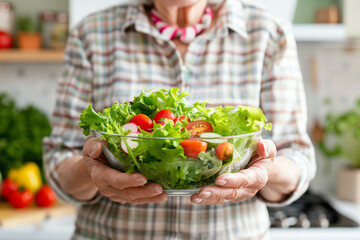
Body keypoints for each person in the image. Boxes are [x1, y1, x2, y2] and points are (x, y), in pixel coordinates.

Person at [43, 0, 316, 239]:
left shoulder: (268, 33)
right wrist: (90, 170)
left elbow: (297, 157)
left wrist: (265, 169)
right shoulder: (92, 33)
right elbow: (59, 159)